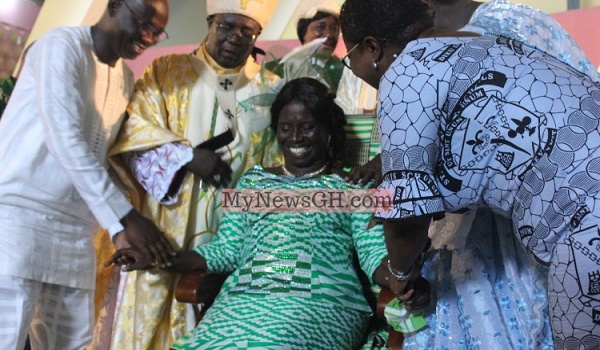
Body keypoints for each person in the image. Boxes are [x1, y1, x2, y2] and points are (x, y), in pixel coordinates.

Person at [340, 0, 600, 348]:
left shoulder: (406, 71)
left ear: (371, 48)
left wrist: (400, 272)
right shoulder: (490, 42)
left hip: (585, 224)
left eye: (349, 57)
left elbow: (405, 216)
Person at [108, 77, 394, 349]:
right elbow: (226, 250)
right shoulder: (251, 182)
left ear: (328, 130)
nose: (295, 137)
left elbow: (373, 252)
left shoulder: (355, 186)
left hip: (320, 301)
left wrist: (399, 277)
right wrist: (158, 258)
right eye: (285, 127)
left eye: (307, 126)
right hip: (243, 300)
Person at [90, 1, 283, 348]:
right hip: (163, 228)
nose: (235, 38)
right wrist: (187, 157)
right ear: (210, 22)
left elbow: (276, 163)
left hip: (227, 235)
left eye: (247, 31)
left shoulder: (271, 89)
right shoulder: (167, 71)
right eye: (226, 26)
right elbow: (132, 131)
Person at [0, 0, 173, 349]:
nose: (148, 38)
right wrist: (125, 218)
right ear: (114, 6)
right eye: (143, 24)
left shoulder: (123, 77)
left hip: (76, 234)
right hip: (20, 222)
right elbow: (65, 139)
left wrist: (117, 230)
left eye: (156, 32)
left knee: (72, 343)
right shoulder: (60, 46)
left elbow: (100, 157)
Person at [265, 0, 344, 93]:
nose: (328, 34)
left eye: (334, 28)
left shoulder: (344, 72)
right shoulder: (278, 68)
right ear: (304, 33)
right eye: (320, 27)